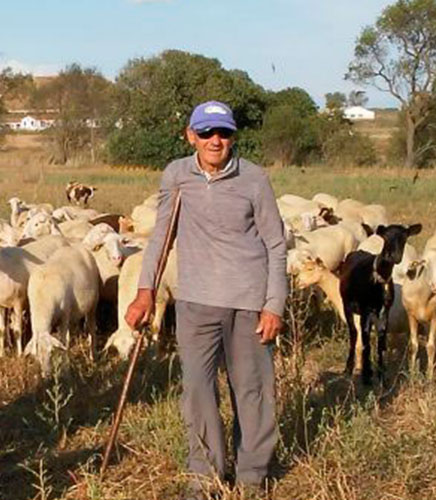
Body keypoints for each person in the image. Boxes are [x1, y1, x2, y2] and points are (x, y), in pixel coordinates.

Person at [124, 101, 287, 497]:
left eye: (224, 133)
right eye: (207, 133)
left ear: (233, 136)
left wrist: (274, 304)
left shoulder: (254, 178)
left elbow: (276, 243)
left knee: (251, 390)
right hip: (195, 301)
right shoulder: (177, 176)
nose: (216, 141)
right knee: (197, 390)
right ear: (190, 135)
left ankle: (251, 477)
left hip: (248, 300)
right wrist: (144, 293)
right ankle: (205, 477)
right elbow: (161, 238)